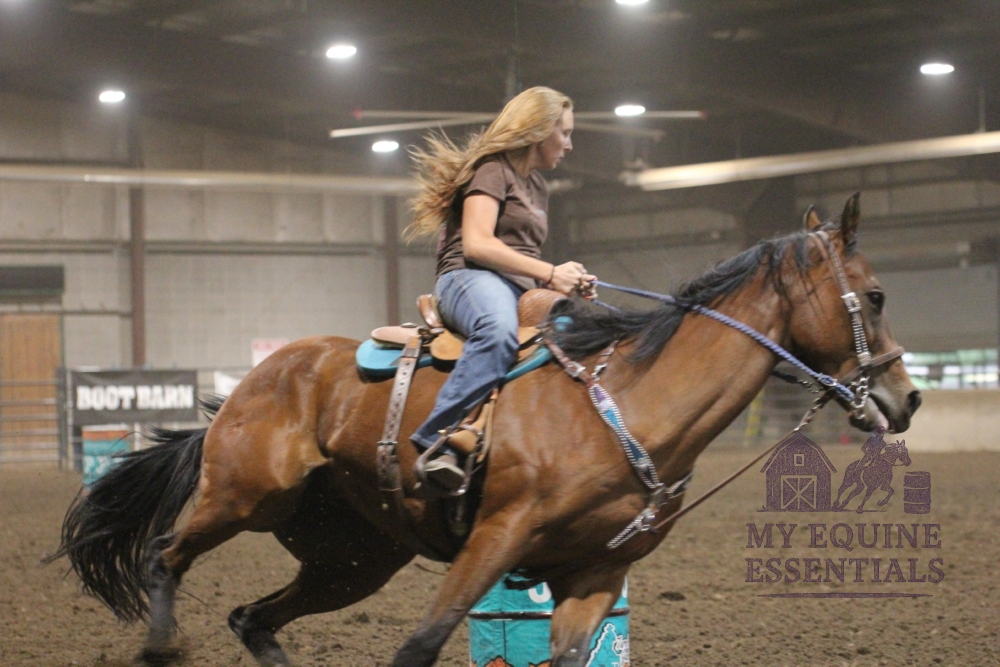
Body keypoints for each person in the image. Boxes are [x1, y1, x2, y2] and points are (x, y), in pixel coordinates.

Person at [406, 86, 595, 493]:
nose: (569, 144)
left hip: (520, 289)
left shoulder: (538, 186)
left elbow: (524, 255)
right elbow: (477, 244)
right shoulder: (492, 170)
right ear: (540, 130)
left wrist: (565, 280)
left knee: (588, 339)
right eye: (564, 133)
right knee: (497, 330)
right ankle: (437, 439)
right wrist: (550, 272)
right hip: (469, 277)